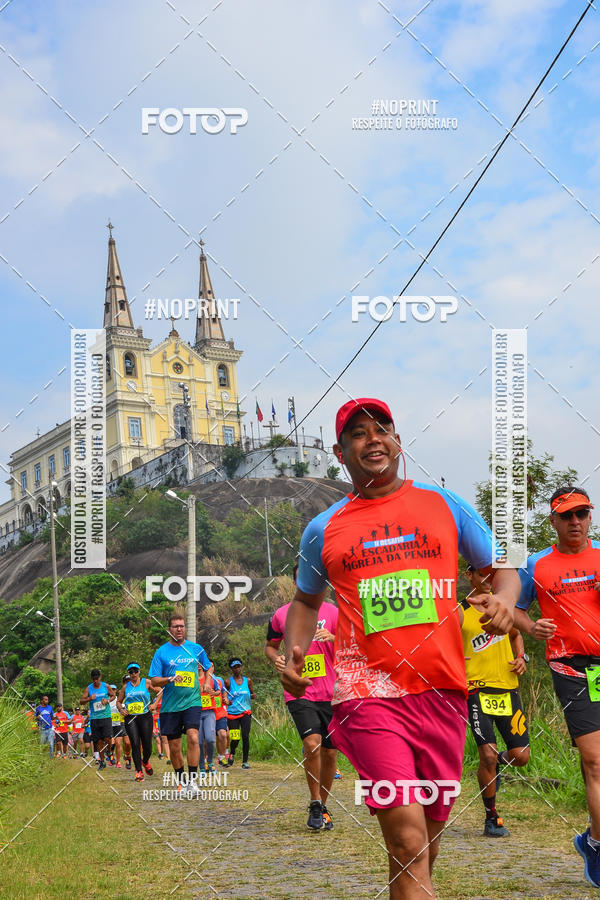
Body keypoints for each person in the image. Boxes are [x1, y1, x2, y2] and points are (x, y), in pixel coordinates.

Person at [281, 398, 519, 900]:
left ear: (397, 441)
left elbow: (501, 568)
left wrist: (502, 600)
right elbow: (305, 601)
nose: (373, 439)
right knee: (407, 839)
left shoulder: (444, 504)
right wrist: (294, 651)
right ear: (339, 452)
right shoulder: (323, 528)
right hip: (368, 694)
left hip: (444, 693)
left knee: (424, 849)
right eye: (359, 433)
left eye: (381, 429)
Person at [514, 487, 600, 888]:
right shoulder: (536, 564)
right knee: (595, 760)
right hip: (569, 667)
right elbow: (514, 608)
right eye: (567, 516)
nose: (576, 523)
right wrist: (532, 627)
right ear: (553, 521)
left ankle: (592, 839)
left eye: (582, 514)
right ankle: (598, 847)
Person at [265, 562, 339, 830]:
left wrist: (333, 637)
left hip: (332, 693)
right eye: (303, 579)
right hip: (299, 690)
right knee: (312, 744)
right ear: (296, 582)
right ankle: (315, 802)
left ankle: (325, 805)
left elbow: (354, 644)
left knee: (330, 754)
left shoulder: (334, 612)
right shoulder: (282, 615)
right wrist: (277, 659)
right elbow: (270, 647)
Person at [462, 565, 530, 837]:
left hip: (507, 689)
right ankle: (492, 816)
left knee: (520, 757)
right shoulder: (460, 612)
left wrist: (522, 657)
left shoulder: (504, 607)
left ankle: (496, 766)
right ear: (470, 576)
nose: (488, 581)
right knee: (486, 754)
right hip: (476, 690)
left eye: (493, 575)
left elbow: (516, 634)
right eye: (482, 575)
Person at [149, 611, 213, 792]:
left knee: (193, 737)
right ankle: (182, 781)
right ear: (169, 629)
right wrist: (170, 679)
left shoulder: (195, 648)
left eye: (182, 626)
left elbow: (209, 666)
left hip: (192, 701)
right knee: (175, 746)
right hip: (170, 706)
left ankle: (193, 781)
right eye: (176, 626)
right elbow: (153, 680)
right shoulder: (161, 652)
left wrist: (207, 681)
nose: (179, 629)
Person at [118, 662, 159, 782]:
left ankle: (145, 761)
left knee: (147, 745)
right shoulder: (126, 687)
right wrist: (121, 709)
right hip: (131, 718)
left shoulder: (146, 682)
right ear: (128, 673)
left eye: (135, 671)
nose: (133, 673)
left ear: (139, 671)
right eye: (131, 672)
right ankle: (139, 771)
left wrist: (154, 704)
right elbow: (119, 701)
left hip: (145, 716)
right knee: (135, 743)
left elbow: (160, 691)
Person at [80, 669, 116, 770]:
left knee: (108, 738)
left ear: (100, 677)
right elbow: (81, 701)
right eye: (94, 679)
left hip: (106, 716)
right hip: (95, 718)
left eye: (97, 678)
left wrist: (108, 700)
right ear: (92, 679)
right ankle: (102, 762)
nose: (96, 681)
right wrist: (89, 698)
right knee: (98, 741)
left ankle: (109, 751)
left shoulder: (106, 686)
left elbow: (113, 695)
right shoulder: (89, 688)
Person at [224, 658, 255, 769]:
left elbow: (252, 693)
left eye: (239, 666)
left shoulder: (248, 681)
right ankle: (232, 753)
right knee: (235, 738)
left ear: (241, 667)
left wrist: (252, 696)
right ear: (231, 669)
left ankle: (245, 761)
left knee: (245, 736)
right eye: (235, 667)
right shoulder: (228, 682)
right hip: (232, 714)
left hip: (246, 712)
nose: (237, 669)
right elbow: (224, 695)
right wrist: (226, 700)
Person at [213, 673, 229, 766]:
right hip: (207, 712)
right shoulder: (198, 678)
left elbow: (224, 691)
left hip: (220, 712)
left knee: (223, 734)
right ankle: (206, 760)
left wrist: (225, 698)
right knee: (207, 739)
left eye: (212, 666)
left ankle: (222, 757)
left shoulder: (219, 679)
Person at [109, 683, 126, 768]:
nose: (113, 691)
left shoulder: (118, 700)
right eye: (111, 689)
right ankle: (111, 756)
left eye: (114, 689)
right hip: (109, 725)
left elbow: (123, 707)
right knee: (111, 743)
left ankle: (118, 761)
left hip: (118, 724)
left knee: (118, 743)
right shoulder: (106, 701)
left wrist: (123, 709)